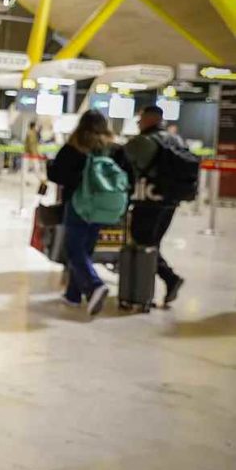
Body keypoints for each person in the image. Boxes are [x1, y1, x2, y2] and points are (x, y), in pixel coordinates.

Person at [46, 110, 127, 316]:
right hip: (104, 207)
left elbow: (58, 175)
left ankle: (94, 286)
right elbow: (127, 176)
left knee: (74, 250)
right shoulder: (114, 149)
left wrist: (50, 166)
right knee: (86, 249)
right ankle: (73, 295)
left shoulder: (74, 147)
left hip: (78, 205)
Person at [124, 106, 185, 305]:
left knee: (143, 243)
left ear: (150, 119)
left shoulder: (142, 141)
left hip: (148, 199)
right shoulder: (176, 140)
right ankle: (155, 286)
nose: (138, 122)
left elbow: (122, 161)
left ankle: (157, 285)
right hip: (170, 201)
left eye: (140, 118)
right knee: (152, 243)